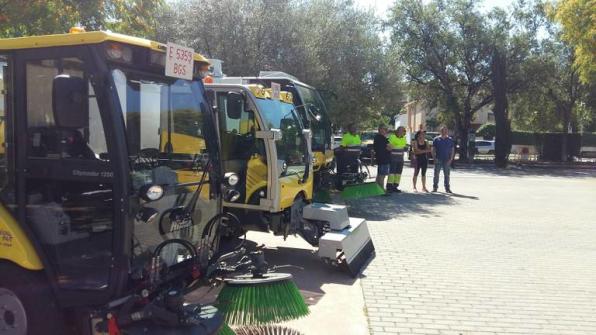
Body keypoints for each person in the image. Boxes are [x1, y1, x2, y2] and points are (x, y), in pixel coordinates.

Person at [432, 126, 455, 193]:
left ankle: (447, 188)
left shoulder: (450, 139)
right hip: (438, 159)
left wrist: (451, 159)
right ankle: (435, 187)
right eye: (443, 130)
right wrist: (434, 158)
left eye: (445, 130)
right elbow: (433, 149)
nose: (444, 132)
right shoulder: (436, 139)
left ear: (447, 131)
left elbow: (452, 150)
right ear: (440, 131)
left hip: (447, 160)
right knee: (436, 175)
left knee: (447, 175)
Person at [387, 126, 407, 193]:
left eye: (403, 131)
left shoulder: (404, 138)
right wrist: (393, 146)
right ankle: (389, 186)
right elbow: (389, 147)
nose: (402, 132)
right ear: (397, 131)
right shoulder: (392, 137)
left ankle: (395, 186)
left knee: (398, 173)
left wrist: (395, 145)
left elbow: (403, 147)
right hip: (393, 158)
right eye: (401, 130)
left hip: (400, 159)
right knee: (392, 173)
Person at [373, 125, 391, 193]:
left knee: (380, 174)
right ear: (380, 130)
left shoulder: (380, 137)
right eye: (384, 129)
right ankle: (381, 189)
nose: (385, 131)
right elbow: (389, 147)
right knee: (382, 175)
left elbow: (389, 147)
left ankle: (376, 188)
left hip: (382, 158)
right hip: (383, 158)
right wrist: (389, 147)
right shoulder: (381, 138)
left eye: (386, 129)